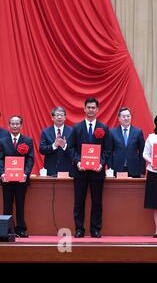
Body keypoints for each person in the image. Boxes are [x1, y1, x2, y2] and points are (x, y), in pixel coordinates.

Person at [69, 97, 111, 238]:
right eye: (89, 107)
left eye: (94, 108)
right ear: (84, 109)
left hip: (97, 172)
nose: (91, 110)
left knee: (97, 202)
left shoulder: (103, 128)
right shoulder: (76, 128)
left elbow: (107, 149)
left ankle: (95, 229)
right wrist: (78, 161)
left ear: (97, 110)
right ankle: (79, 229)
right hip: (80, 171)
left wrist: (101, 163)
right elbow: (71, 148)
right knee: (79, 201)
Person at [0, 116, 34, 238]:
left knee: (20, 204)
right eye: (13, 124)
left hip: (21, 180)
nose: (15, 126)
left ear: (21, 125)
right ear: (9, 125)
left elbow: (30, 159)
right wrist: (2, 173)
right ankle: (7, 230)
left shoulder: (28, 140)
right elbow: (0, 159)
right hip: (7, 180)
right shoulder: (2, 141)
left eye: (17, 124)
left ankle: (20, 229)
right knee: (7, 205)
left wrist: (26, 174)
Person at [109, 107, 145, 178]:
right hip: (117, 168)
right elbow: (109, 153)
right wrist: (110, 170)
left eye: (128, 116)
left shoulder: (138, 132)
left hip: (134, 169)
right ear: (119, 118)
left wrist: (142, 171)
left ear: (131, 117)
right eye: (123, 116)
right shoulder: (112, 132)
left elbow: (142, 152)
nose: (126, 118)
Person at [39, 107, 73, 176]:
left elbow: (75, 151)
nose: (59, 117)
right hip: (50, 169)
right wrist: (54, 145)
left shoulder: (71, 131)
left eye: (61, 115)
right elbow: (41, 150)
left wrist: (65, 146)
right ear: (52, 118)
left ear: (65, 117)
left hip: (67, 169)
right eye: (57, 115)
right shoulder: (46, 132)